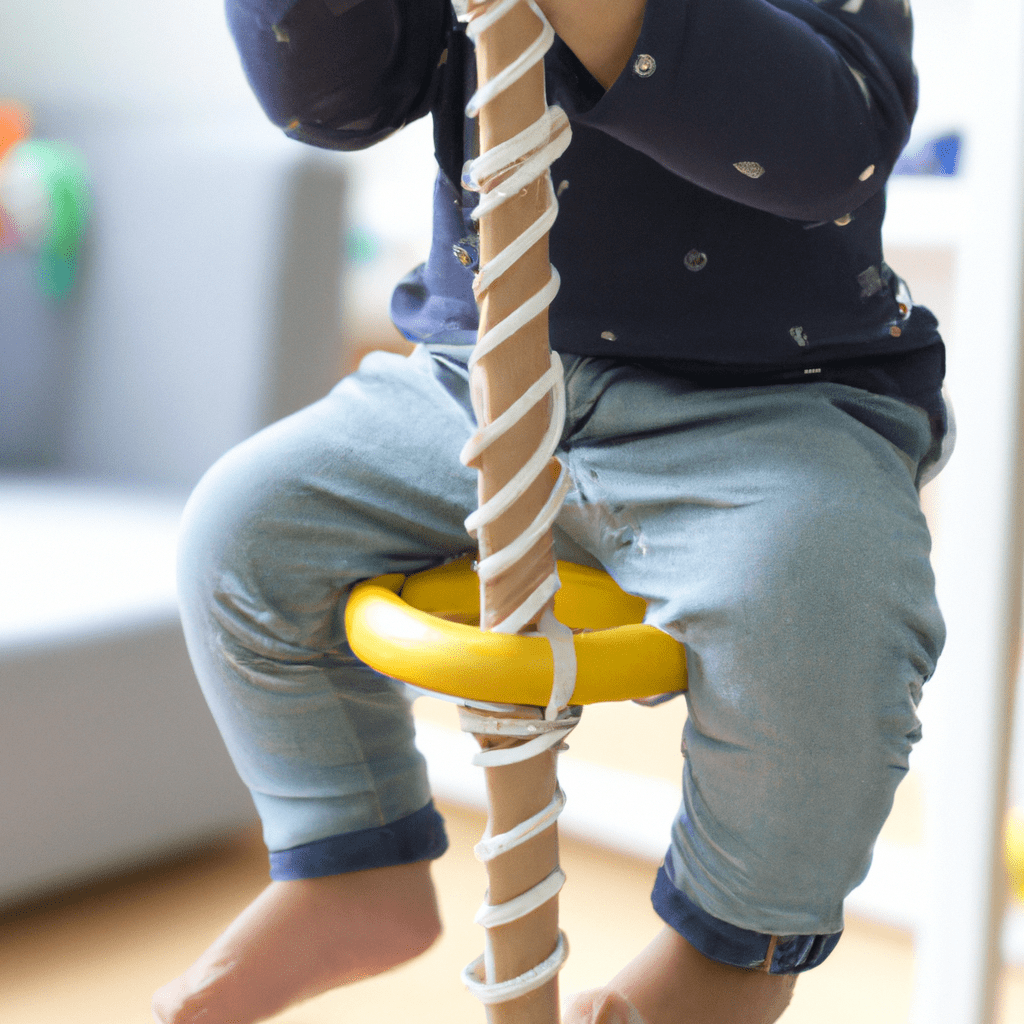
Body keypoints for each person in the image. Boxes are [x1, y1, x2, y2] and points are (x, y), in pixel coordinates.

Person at [152, 1, 948, 1022]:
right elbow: (333, 104)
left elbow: (826, 150)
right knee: (245, 529)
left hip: (766, 401)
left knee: (822, 592)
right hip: (472, 378)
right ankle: (345, 857)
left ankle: (732, 949)